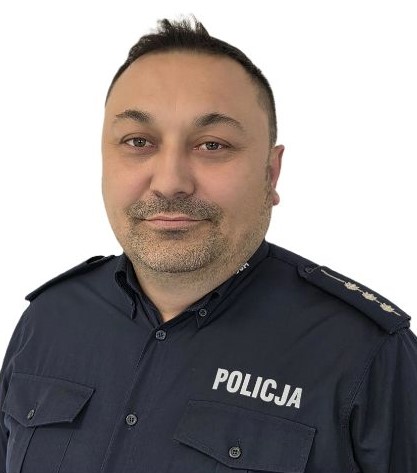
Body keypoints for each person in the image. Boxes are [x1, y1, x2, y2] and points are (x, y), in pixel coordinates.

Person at [0, 16, 416, 473]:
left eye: (212, 145)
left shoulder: (368, 355)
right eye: (138, 141)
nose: (170, 182)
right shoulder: (47, 320)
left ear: (271, 173)